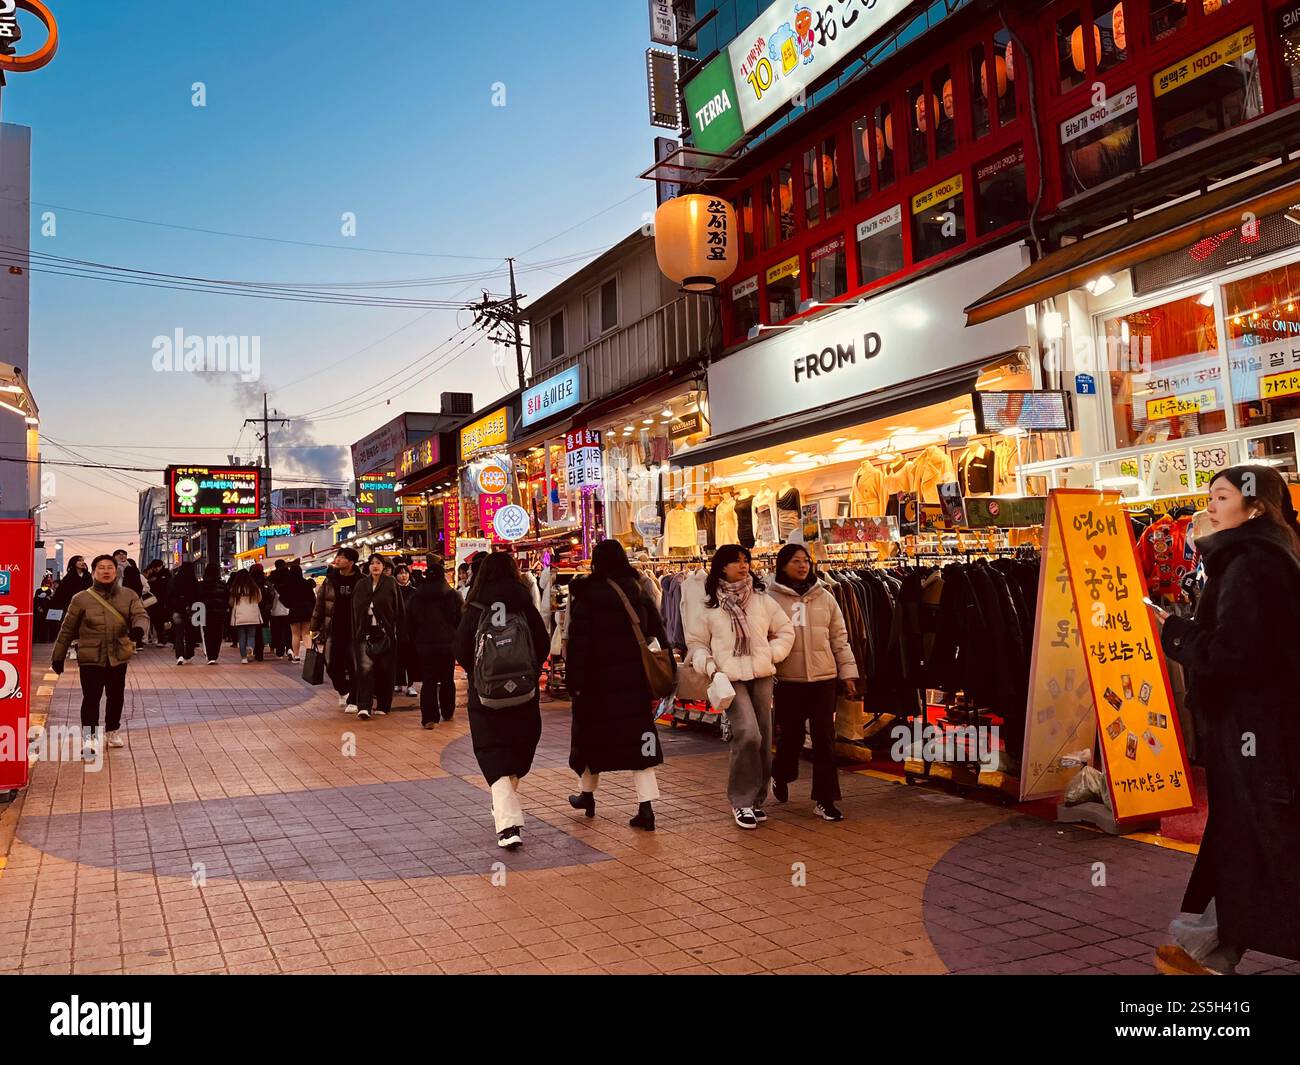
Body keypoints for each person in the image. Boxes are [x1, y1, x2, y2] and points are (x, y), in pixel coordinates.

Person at [1152, 465, 1300, 976]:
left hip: (1255, 737)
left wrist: (1173, 631)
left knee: (1264, 840)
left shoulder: (1249, 564)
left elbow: (1234, 655)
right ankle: (1208, 949)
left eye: (1221, 496)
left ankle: (1209, 950)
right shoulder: (1268, 557)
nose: (1209, 505)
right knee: (1252, 838)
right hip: (1262, 735)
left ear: (1255, 507)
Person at [686, 544, 794, 830]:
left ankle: (757, 800)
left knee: (763, 736)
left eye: (746, 560)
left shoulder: (761, 599)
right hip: (729, 678)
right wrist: (709, 665)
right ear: (722, 567)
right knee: (747, 734)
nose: (743, 566)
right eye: (736, 562)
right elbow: (696, 643)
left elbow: (785, 630)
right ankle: (741, 801)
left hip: (760, 674)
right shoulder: (708, 604)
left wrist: (772, 653)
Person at [565, 539, 670, 831]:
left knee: (587, 739)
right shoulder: (637, 590)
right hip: (633, 682)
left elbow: (578, 644)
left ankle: (587, 795)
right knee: (640, 744)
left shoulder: (587, 595)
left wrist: (574, 682)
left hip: (595, 684)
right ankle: (646, 808)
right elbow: (656, 632)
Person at [454, 552, 549, 849]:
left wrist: (481, 674)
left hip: (485, 697)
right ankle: (507, 820)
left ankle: (507, 823)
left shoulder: (475, 606)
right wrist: (528, 672)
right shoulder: (524, 605)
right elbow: (543, 644)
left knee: (492, 752)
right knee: (518, 752)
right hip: (524, 694)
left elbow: (461, 650)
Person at [768, 543, 858, 822]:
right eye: (796, 561)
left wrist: (848, 673)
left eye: (806, 560)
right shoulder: (769, 598)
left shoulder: (825, 596)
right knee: (791, 739)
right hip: (788, 680)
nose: (802, 565)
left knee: (824, 740)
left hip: (823, 679)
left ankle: (825, 799)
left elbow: (838, 638)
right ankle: (781, 774)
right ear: (783, 565)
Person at [50, 555, 149, 757]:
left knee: (116, 695)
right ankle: (90, 739)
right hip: (90, 655)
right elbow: (67, 629)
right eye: (101, 568)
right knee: (91, 698)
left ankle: (112, 732)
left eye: (110, 568)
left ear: (116, 571)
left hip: (118, 654)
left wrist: (138, 630)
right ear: (93, 571)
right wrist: (58, 656)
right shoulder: (81, 598)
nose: (106, 571)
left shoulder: (129, 595)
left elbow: (141, 615)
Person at [408, 557, 463, 728]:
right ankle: (447, 711)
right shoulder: (453, 595)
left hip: (425, 645)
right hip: (447, 644)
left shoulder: (416, 596)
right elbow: (460, 620)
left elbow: (410, 621)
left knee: (429, 681)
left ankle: (429, 718)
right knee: (447, 679)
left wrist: (414, 640)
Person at [352, 554, 404, 721]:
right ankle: (364, 706)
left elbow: (398, 609)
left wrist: (400, 632)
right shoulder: (361, 585)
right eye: (372, 563)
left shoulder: (391, 583)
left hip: (385, 633)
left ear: (383, 566)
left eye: (378, 563)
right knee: (365, 670)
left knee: (385, 670)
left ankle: (383, 704)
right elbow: (354, 610)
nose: (375, 566)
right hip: (365, 632)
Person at [311, 548, 363, 712]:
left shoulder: (361, 580)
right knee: (332, 665)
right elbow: (320, 604)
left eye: (341, 557)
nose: (337, 559)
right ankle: (343, 690)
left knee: (355, 665)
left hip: (355, 630)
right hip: (333, 629)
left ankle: (354, 700)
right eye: (337, 556)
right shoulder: (330, 579)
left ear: (351, 561)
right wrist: (314, 626)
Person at [392, 564, 419, 697]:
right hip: (396, 629)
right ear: (395, 575)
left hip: (411, 630)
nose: (403, 575)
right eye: (400, 573)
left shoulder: (415, 591)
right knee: (397, 657)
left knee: (411, 657)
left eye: (406, 573)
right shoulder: (393, 591)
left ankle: (411, 684)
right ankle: (398, 681)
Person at [165, 562, 201, 665]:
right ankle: (189, 654)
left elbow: (168, 596)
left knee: (179, 634)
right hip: (191, 610)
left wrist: (170, 609)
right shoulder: (194, 581)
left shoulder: (174, 580)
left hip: (177, 610)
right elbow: (198, 596)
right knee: (190, 633)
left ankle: (179, 655)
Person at [229, 570, 263, 664]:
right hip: (252, 614)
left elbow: (231, 602)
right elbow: (259, 599)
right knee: (251, 635)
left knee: (241, 636)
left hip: (239, 615)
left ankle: (243, 657)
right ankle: (250, 650)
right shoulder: (254, 588)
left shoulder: (235, 588)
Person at [285, 562, 316, 662]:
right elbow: (313, 598)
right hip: (307, 610)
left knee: (295, 634)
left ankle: (297, 656)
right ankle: (309, 655)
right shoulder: (307, 583)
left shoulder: (289, 585)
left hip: (294, 610)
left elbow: (286, 600)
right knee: (306, 633)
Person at [198, 563, 228, 664]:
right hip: (219, 613)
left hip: (205, 612)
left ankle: (210, 656)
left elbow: (199, 599)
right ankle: (215, 655)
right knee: (218, 634)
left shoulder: (202, 585)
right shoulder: (222, 585)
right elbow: (226, 599)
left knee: (208, 634)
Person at [267, 560, 292, 659]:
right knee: (288, 630)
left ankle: (280, 651)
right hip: (288, 609)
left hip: (275, 609)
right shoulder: (290, 576)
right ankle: (289, 648)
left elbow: (269, 593)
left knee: (277, 631)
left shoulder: (272, 577)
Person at [144, 560, 170, 646]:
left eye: (157, 567)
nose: (156, 569)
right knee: (155, 620)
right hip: (153, 600)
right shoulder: (151, 574)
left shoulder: (166, 573)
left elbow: (167, 585)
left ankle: (163, 640)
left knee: (162, 620)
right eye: (154, 567)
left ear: (161, 566)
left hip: (163, 600)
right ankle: (159, 639)